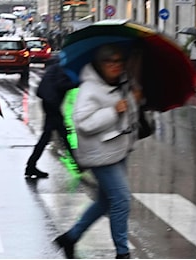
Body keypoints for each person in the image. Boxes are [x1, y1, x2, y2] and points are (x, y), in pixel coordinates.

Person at [54, 44, 141, 259]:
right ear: (99, 64)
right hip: (100, 154)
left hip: (118, 149)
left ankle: (70, 238)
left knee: (106, 201)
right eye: (109, 62)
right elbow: (83, 123)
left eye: (118, 62)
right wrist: (113, 111)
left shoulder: (120, 84)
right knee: (121, 199)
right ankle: (123, 253)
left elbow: (127, 112)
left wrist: (134, 99)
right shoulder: (89, 89)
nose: (114, 66)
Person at [25, 57, 79, 178]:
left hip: (48, 102)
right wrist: (77, 83)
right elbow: (61, 84)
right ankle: (78, 163)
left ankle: (31, 166)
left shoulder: (57, 65)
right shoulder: (62, 67)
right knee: (61, 134)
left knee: (50, 136)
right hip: (52, 103)